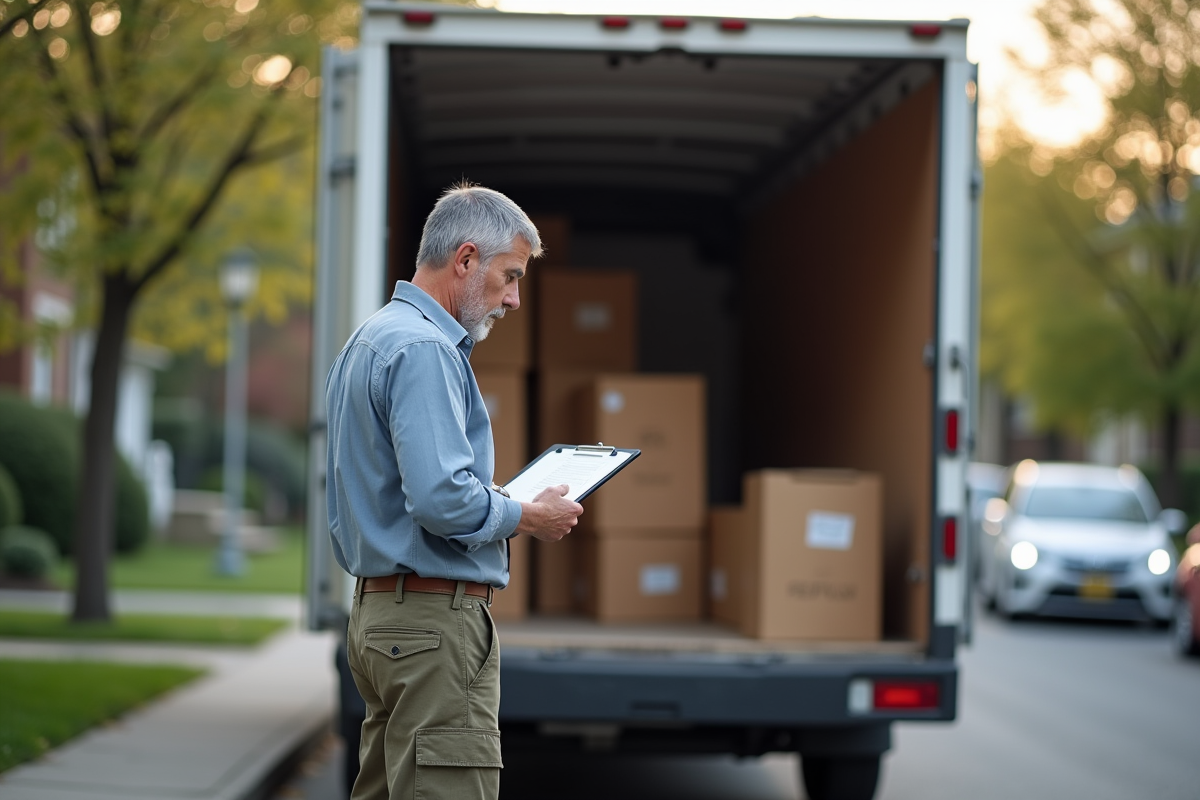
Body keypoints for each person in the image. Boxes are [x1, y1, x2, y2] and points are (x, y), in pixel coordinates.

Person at [325, 183, 583, 800]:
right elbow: (441, 500)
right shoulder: (425, 350)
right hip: (431, 629)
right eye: (511, 276)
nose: (515, 300)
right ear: (466, 260)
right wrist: (527, 514)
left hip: (382, 619)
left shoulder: (372, 339)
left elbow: (406, 489)